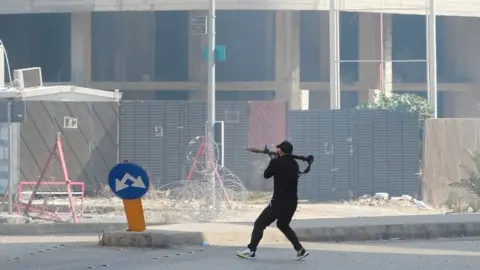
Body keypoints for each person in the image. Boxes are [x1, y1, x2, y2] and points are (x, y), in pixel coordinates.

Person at [236, 141, 309, 261]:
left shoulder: (276, 162)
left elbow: (266, 175)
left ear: (280, 151)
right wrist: (276, 160)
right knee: (283, 225)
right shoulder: (295, 164)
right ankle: (300, 250)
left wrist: (272, 161)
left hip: (278, 203)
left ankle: (251, 250)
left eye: (278, 149)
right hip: (292, 203)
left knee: (259, 224)